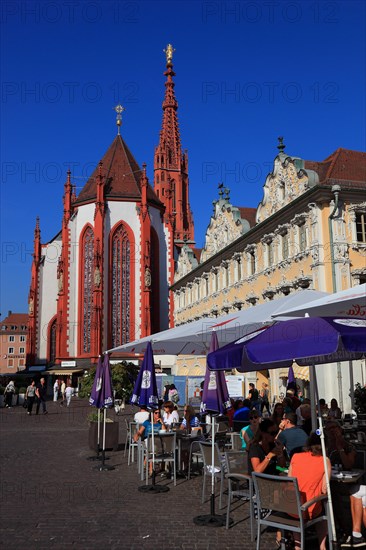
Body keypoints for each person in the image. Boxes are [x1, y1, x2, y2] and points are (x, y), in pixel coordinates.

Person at [288, 432, 331, 550]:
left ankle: (298, 546)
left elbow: (289, 481)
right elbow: (324, 489)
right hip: (308, 509)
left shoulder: (296, 456)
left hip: (290, 507)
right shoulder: (325, 460)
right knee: (324, 508)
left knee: (295, 500)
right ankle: (322, 546)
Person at [248, 418, 286, 548]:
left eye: (276, 432)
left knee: (295, 492)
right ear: (263, 433)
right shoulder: (255, 448)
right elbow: (257, 471)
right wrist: (269, 456)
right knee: (287, 497)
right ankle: (282, 535)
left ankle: (290, 530)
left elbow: (281, 466)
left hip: (275, 484)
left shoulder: (272, 445)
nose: (274, 435)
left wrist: (280, 454)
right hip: (261, 489)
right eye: (272, 432)